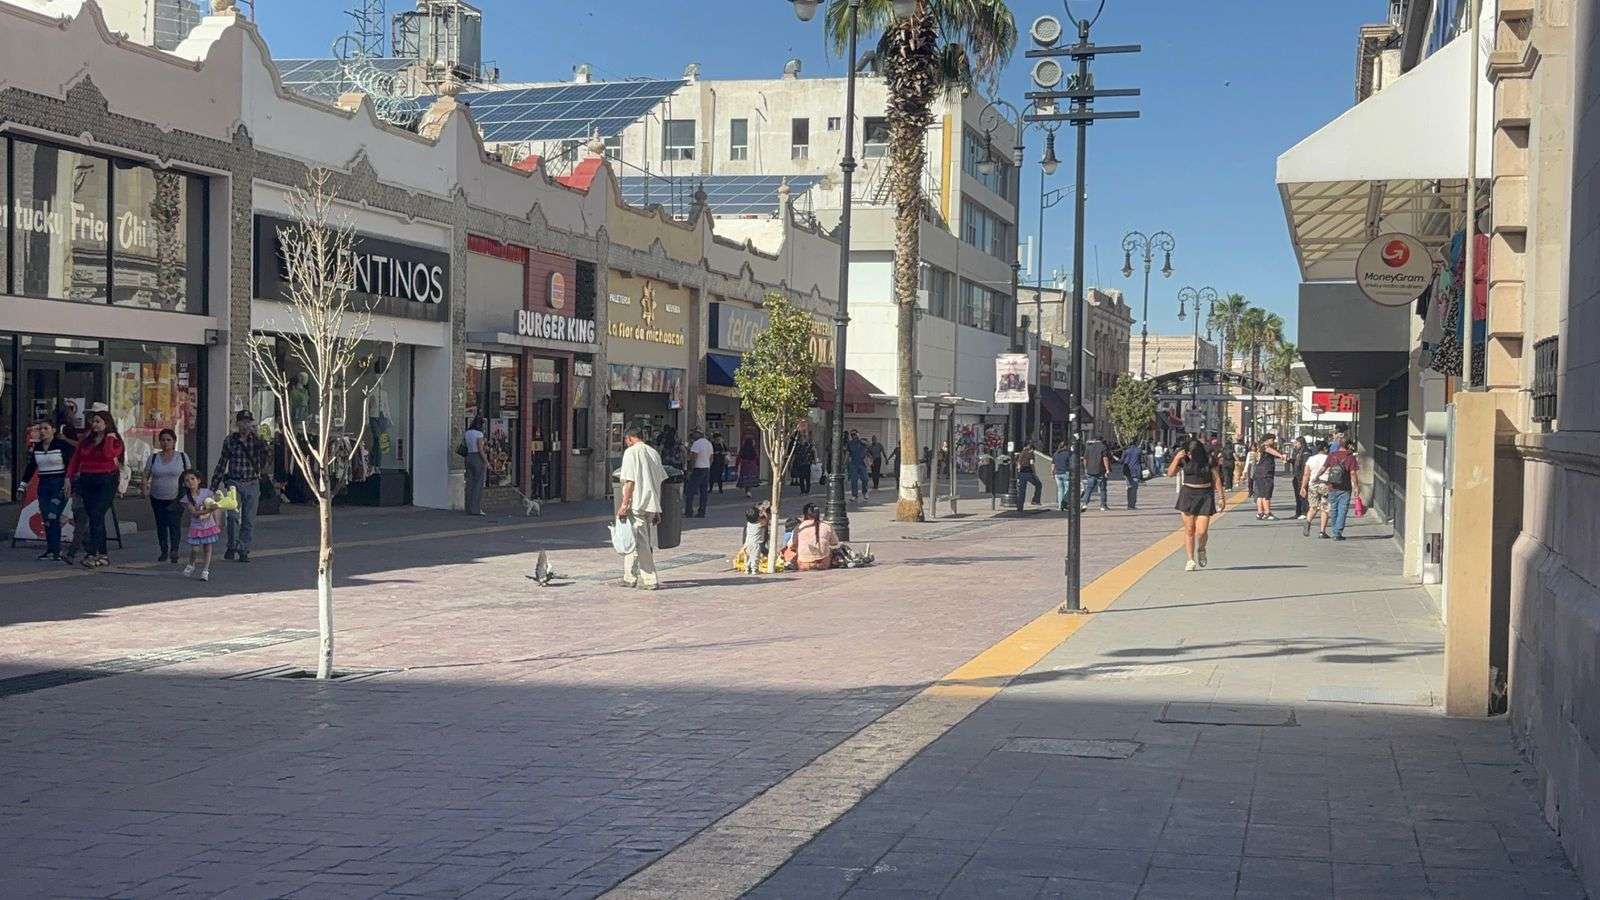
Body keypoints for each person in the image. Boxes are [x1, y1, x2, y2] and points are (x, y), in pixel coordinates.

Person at [63, 410, 124, 569]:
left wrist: (109, 438)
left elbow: (108, 455)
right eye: (93, 421)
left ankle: (92, 553)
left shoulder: (115, 440)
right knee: (95, 517)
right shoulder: (87, 440)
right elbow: (76, 459)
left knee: (97, 514)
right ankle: (102, 554)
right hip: (87, 479)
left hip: (106, 480)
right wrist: (68, 477)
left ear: (106, 423)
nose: (94, 424)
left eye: (98, 421)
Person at [211, 409, 269, 558]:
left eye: (248, 421)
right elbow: (222, 463)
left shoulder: (256, 441)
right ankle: (231, 545)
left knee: (248, 519)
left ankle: (243, 548)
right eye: (243, 421)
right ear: (237, 423)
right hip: (234, 482)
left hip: (252, 482)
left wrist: (258, 438)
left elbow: (267, 458)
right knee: (232, 516)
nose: (246, 425)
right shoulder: (230, 440)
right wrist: (214, 486)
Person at [617, 426, 667, 589]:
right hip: (651, 503)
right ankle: (629, 576)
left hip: (637, 503)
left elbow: (629, 481)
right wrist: (657, 508)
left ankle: (650, 579)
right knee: (634, 539)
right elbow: (659, 481)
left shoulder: (631, 453)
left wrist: (624, 504)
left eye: (626, 440)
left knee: (641, 543)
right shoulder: (654, 453)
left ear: (630, 438)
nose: (626, 443)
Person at [1168, 436, 1226, 572]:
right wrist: (1176, 459)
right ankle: (1190, 560)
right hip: (1187, 495)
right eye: (1187, 452)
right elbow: (1170, 473)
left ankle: (1201, 548)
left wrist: (1221, 497)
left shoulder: (1209, 460)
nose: (1189, 455)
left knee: (1201, 531)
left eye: (1191, 453)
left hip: (1205, 495)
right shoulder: (1184, 460)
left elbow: (1217, 479)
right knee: (1189, 529)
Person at [23, 420, 73, 561]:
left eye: (46, 428)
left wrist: (68, 480)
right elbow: (32, 466)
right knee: (46, 516)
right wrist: (23, 483)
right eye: (40, 429)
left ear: (53, 430)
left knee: (53, 514)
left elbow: (71, 464)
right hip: (44, 484)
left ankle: (56, 550)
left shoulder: (61, 445)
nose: (42, 431)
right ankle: (50, 549)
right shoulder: (38, 447)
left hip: (59, 484)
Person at [142, 428, 190, 564]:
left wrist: (191, 493)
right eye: (163, 440)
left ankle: (174, 550)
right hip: (157, 496)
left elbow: (189, 475)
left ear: (174, 442)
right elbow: (146, 474)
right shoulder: (154, 458)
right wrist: (144, 487)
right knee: (161, 524)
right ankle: (164, 550)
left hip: (176, 496)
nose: (165, 443)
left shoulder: (182, 457)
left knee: (174, 523)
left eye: (169, 440)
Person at [178, 469, 220, 582]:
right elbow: (194, 513)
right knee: (195, 549)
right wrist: (208, 510)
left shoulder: (207, 492)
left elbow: (216, 505)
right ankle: (191, 564)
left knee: (207, 548)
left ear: (199, 480)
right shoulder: (187, 498)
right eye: (187, 480)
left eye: (193, 479)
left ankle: (205, 570)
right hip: (196, 527)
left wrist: (217, 522)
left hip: (209, 525)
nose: (190, 482)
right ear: (184, 484)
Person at [1323, 438, 1361, 541]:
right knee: (1342, 510)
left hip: (1332, 486)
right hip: (1345, 487)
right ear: (1348, 445)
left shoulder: (1332, 455)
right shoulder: (1350, 457)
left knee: (1334, 509)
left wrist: (1317, 477)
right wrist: (1356, 487)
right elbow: (1352, 473)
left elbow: (1324, 468)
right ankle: (1337, 532)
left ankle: (1335, 531)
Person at [788, 502, 842, 571]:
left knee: (788, 551)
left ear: (805, 515)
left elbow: (791, 545)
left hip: (803, 564)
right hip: (823, 563)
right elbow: (834, 542)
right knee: (830, 551)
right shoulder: (827, 525)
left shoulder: (799, 527)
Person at [1301, 440, 1332, 538]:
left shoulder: (1311, 459)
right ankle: (1322, 532)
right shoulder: (1329, 458)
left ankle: (1308, 521)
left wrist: (1303, 487)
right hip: (1325, 484)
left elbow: (1306, 474)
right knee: (1325, 508)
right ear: (1325, 449)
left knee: (1313, 506)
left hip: (1313, 484)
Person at [1253, 434, 1287, 520]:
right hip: (1265, 473)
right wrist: (1281, 456)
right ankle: (1267, 513)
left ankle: (1260, 512)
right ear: (1267, 440)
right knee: (1266, 493)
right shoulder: (1265, 447)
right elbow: (1270, 450)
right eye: (1272, 440)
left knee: (1260, 494)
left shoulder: (1260, 447)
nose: (1273, 441)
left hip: (1259, 473)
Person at [461, 417, 488, 516]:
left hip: (468, 457)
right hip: (477, 457)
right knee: (478, 484)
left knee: (470, 483)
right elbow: (480, 449)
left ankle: (468, 508)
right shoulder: (479, 434)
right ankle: (476, 509)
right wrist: (486, 461)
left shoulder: (467, 433)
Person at [684, 428, 713, 518]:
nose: (693, 435)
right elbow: (711, 457)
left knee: (690, 491)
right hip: (706, 469)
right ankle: (702, 512)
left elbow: (694, 457)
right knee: (703, 492)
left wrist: (690, 470)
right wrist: (708, 465)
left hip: (697, 469)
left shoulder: (696, 443)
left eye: (694, 433)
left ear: (698, 434)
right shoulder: (708, 443)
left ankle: (689, 511)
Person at [1080, 437, 1111, 511]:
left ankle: (1084, 504)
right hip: (1100, 470)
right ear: (1101, 440)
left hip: (1090, 470)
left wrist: (1086, 468)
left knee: (1089, 488)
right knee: (1103, 489)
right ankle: (1103, 505)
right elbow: (1105, 458)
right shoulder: (1103, 447)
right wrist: (1107, 469)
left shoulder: (1089, 447)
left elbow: (1085, 459)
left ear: (1095, 440)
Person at [1015, 442, 1043, 508]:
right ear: (1031, 449)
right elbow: (1031, 464)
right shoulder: (1031, 453)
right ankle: (1035, 500)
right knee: (1039, 485)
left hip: (1021, 473)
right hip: (1029, 473)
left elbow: (1018, 465)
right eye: (1033, 450)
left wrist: (1018, 474)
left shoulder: (1021, 453)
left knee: (1022, 491)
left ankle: (1020, 507)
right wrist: (1034, 474)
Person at [1289, 436, 1311, 520]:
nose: (1295, 445)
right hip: (1296, 476)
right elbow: (1296, 462)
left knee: (1303, 495)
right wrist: (1289, 460)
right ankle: (1298, 512)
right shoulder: (1298, 451)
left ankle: (1304, 512)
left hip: (1301, 477)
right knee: (1298, 496)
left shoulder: (1306, 452)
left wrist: (1303, 477)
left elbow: (1305, 465)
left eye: (1296, 443)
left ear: (1301, 443)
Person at [1120, 441, 1145, 510]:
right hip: (1135, 471)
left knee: (1129, 488)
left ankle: (1129, 504)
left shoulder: (1126, 451)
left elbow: (1121, 461)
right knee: (1134, 489)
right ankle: (1132, 505)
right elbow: (1142, 461)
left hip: (1127, 471)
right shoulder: (1139, 451)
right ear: (1136, 444)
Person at [846, 430, 870, 500]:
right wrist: (845, 463)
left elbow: (869, 445)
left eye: (854, 434)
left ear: (858, 434)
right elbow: (847, 453)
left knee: (865, 479)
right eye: (852, 435)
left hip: (862, 463)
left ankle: (865, 492)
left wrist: (861, 441)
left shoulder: (862, 441)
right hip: (854, 464)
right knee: (854, 480)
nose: (853, 436)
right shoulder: (850, 443)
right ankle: (854, 495)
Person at [1051, 441, 1074, 511]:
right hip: (1066, 473)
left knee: (1060, 490)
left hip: (1057, 474)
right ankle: (1065, 504)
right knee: (1067, 490)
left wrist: (1052, 473)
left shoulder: (1056, 453)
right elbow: (1072, 463)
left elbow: (1053, 464)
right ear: (1065, 446)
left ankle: (1060, 506)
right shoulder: (1069, 453)